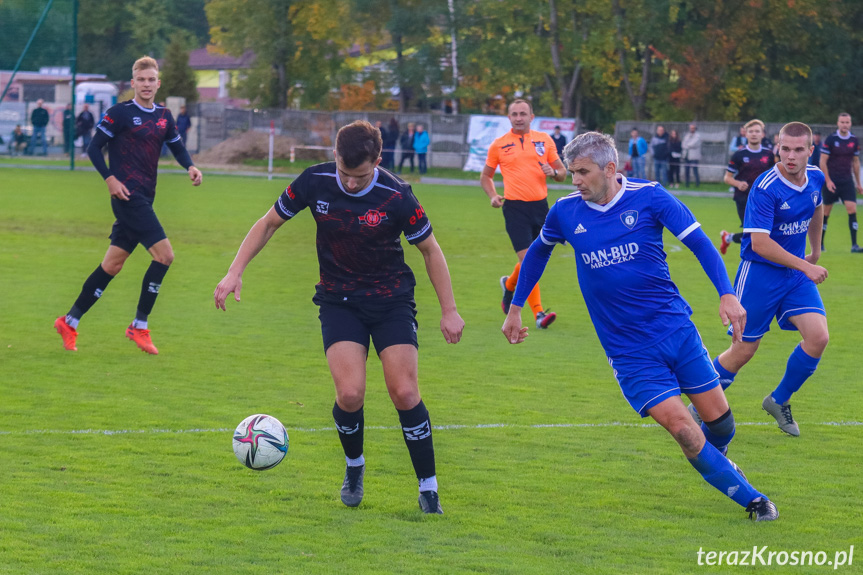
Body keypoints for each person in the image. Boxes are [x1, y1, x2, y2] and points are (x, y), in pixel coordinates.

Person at [501, 131, 778, 522]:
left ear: (610, 168)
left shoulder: (650, 197)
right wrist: (515, 308)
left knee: (721, 422)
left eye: (582, 171)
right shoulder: (564, 211)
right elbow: (537, 255)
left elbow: (700, 243)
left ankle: (719, 460)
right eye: (571, 172)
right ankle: (754, 501)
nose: (574, 180)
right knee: (683, 429)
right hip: (628, 351)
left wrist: (727, 293)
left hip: (676, 331)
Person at [214, 120, 464, 515]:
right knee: (350, 394)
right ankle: (354, 467)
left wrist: (449, 311)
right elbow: (268, 224)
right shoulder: (315, 181)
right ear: (334, 155)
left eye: (359, 175)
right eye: (344, 173)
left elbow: (431, 250)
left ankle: (428, 487)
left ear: (378, 162)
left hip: (391, 300)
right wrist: (234, 270)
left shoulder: (397, 195)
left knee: (404, 392)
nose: (349, 183)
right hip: (339, 299)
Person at [53, 56, 203, 355]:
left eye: (151, 80)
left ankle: (69, 321)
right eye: (141, 80)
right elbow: (94, 148)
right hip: (126, 197)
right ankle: (140, 325)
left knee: (112, 265)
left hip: (146, 196)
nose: (146, 85)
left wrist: (190, 166)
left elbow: (175, 144)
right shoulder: (119, 113)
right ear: (132, 82)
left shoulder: (163, 115)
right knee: (165, 256)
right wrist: (109, 178)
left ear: (158, 83)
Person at [707, 122, 827, 438]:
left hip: (794, 276)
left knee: (818, 338)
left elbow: (818, 209)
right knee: (744, 350)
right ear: (777, 147)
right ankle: (703, 400)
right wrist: (805, 264)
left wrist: (815, 250)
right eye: (785, 148)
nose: (790, 156)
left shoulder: (815, 177)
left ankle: (779, 400)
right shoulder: (765, 187)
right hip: (759, 274)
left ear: (810, 151)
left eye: (798, 149)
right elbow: (759, 244)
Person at [481, 99, 567, 330]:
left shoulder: (544, 140)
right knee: (530, 261)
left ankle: (509, 285)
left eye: (523, 113)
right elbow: (485, 176)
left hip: (541, 208)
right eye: (514, 114)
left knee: (535, 259)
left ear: (532, 116)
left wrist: (554, 172)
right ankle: (539, 313)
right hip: (515, 209)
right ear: (509, 117)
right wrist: (492, 195)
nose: (519, 117)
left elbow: (563, 172)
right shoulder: (499, 145)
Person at [719, 119, 775, 255]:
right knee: (752, 232)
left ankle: (728, 238)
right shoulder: (739, 155)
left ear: (763, 134)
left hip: (764, 198)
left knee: (767, 231)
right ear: (746, 134)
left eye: (757, 131)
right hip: (743, 199)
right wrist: (738, 184)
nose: (754, 134)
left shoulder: (769, 154)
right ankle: (748, 259)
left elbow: (774, 176)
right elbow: (727, 178)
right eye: (751, 131)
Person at [819, 113, 863, 252]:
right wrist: (828, 180)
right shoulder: (831, 139)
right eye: (842, 122)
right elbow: (822, 161)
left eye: (847, 122)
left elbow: (856, 162)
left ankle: (854, 245)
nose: (845, 124)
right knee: (826, 212)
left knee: (852, 210)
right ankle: (820, 244)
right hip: (831, 181)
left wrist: (858, 183)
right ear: (838, 123)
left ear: (850, 124)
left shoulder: (854, 140)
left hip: (846, 181)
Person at [682, 123, 702, 187]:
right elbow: (683, 144)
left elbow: (693, 144)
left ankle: (697, 184)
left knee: (695, 171)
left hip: (694, 157)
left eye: (693, 128)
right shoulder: (687, 135)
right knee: (687, 171)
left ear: (695, 128)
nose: (692, 129)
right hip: (687, 156)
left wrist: (687, 144)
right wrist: (687, 144)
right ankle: (687, 184)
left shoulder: (697, 136)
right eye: (691, 128)